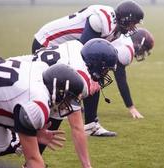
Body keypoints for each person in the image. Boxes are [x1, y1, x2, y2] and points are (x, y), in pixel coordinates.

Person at [31, 0, 146, 136]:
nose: (133, 28)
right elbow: (85, 49)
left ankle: (90, 124)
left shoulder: (115, 29)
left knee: (95, 75)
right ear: (126, 19)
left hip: (64, 47)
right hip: (48, 43)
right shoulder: (103, 20)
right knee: (85, 77)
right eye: (133, 23)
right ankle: (32, 124)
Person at [25, 38, 118, 167]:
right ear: (96, 63)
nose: (106, 73)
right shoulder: (78, 78)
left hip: (23, 71)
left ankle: (32, 162)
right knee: (11, 140)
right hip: (22, 86)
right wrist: (87, 166)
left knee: (55, 112)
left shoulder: (77, 46)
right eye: (105, 69)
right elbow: (77, 128)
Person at [0, 61, 84, 168]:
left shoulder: (39, 67)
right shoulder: (38, 103)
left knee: (1, 143)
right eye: (69, 98)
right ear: (58, 90)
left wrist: (34, 133)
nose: (68, 104)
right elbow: (33, 160)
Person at [84, 27, 154, 135]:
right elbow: (121, 80)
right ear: (139, 43)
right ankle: (89, 121)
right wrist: (131, 107)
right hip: (88, 56)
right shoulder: (126, 49)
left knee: (93, 80)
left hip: (85, 50)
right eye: (144, 49)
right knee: (96, 81)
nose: (142, 52)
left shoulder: (123, 39)